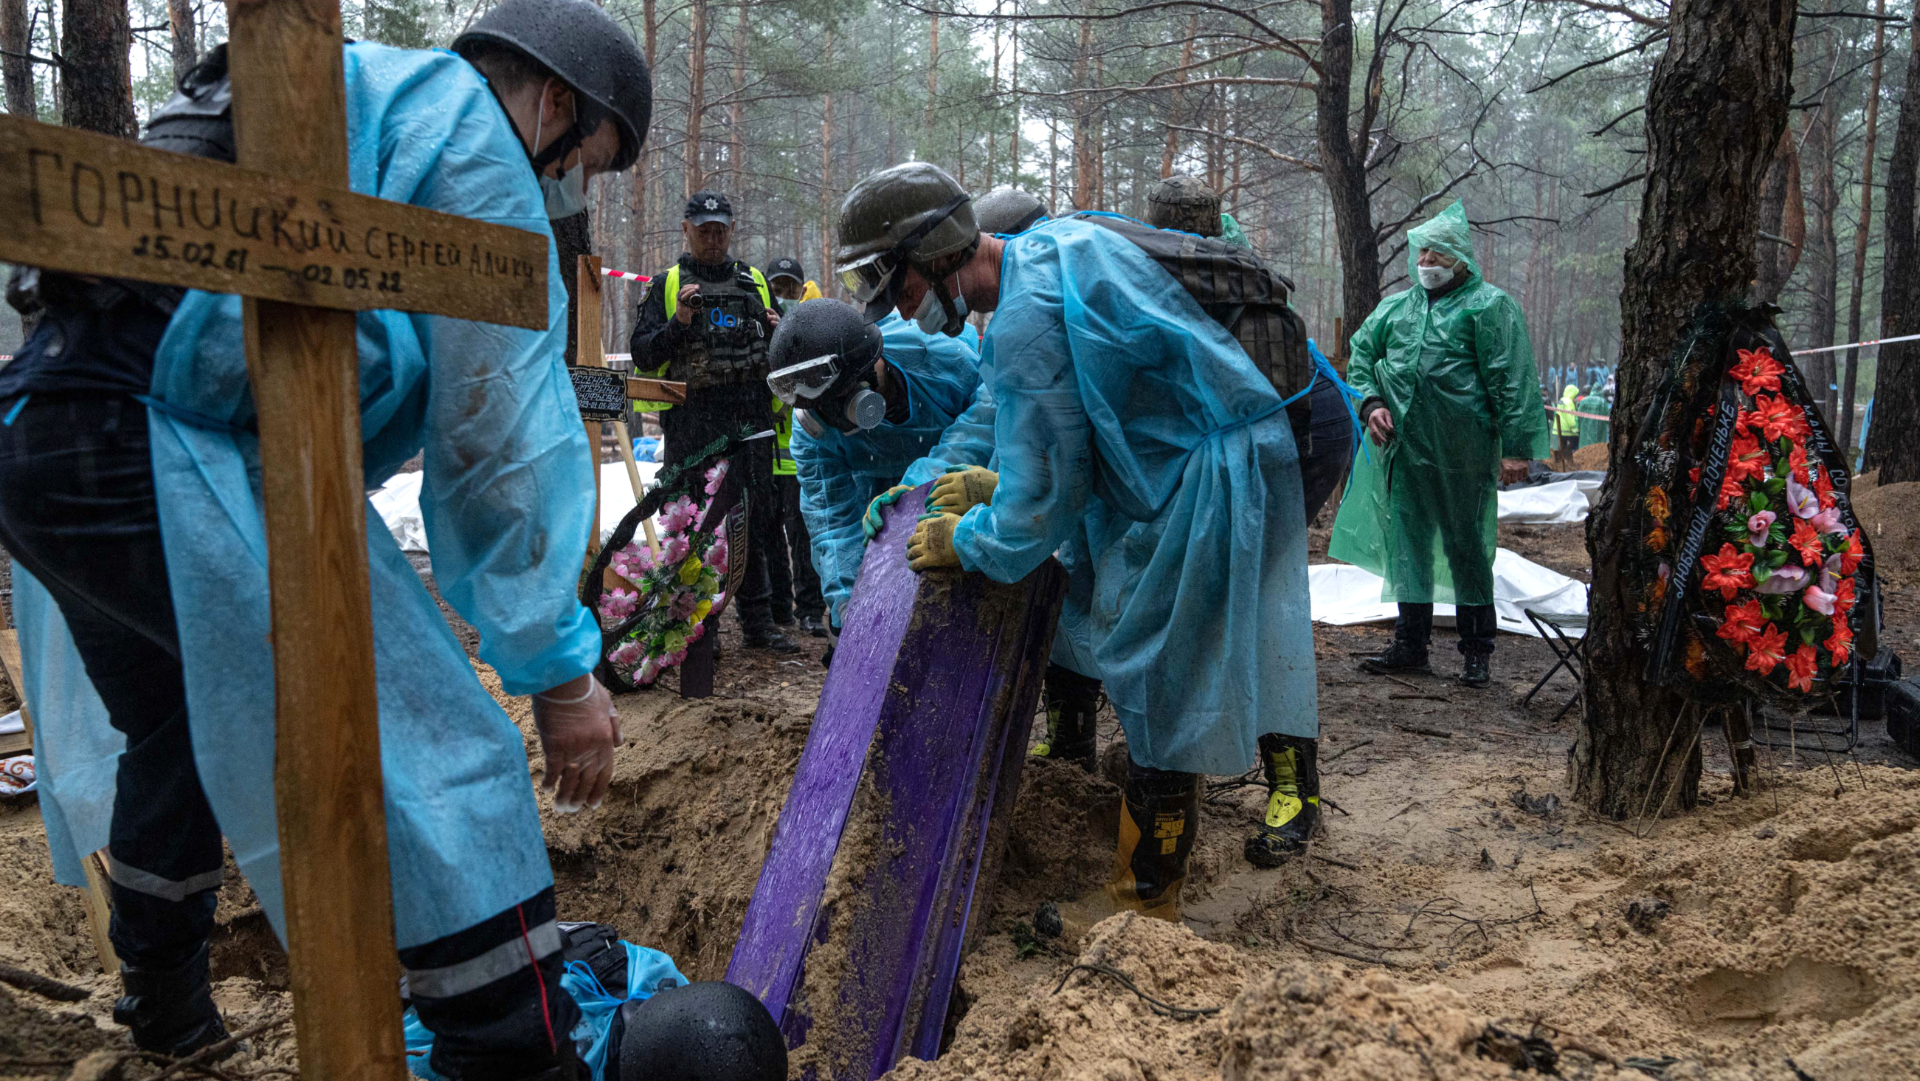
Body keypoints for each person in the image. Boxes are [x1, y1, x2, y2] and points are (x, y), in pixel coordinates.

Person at [0, 1, 668, 1076]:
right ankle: (511, 1043)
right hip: (154, 438)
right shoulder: (471, 139)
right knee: (433, 742)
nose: (568, 190)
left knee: (172, 725)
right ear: (554, 102)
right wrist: (556, 671)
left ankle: (167, 1007)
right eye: (584, 161)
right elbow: (497, 442)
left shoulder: (365, 94)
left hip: (43, 436)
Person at [833, 163, 1318, 931]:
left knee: (1164, 674)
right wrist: (990, 482)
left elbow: (1045, 504)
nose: (901, 308)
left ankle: (1144, 902)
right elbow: (1086, 421)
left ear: (933, 253)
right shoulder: (1048, 252)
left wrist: (970, 537)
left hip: (1208, 470)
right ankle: (1147, 882)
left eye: (900, 286)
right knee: (1156, 657)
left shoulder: (1025, 313)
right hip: (1196, 457)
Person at [1146, 173, 1358, 867]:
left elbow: (1275, 416)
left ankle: (1296, 788)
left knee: (1266, 608)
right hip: (1231, 451)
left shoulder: (1245, 290)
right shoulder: (1152, 276)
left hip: (1297, 440)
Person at [1329, 200, 1549, 690]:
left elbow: (1511, 379)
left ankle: (1476, 652)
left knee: (1467, 544)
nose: (1426, 260)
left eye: (1437, 252)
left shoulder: (1490, 306)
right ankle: (1411, 645)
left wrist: (1515, 447)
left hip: (1464, 453)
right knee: (1408, 545)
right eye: (1421, 251)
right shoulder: (1396, 308)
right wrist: (1370, 404)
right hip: (1405, 451)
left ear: (1460, 257)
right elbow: (1362, 357)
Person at [628, 193, 797, 653]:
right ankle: (702, 628)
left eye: (720, 228)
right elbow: (643, 353)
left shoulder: (755, 281)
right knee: (695, 527)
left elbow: (780, 352)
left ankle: (758, 623)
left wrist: (776, 329)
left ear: (732, 227)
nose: (713, 236)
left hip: (751, 420)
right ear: (686, 230)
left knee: (757, 524)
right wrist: (680, 321)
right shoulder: (666, 285)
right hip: (692, 425)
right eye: (704, 228)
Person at [765, 298, 982, 635]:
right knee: (876, 565)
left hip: (955, 476)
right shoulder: (812, 429)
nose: (825, 416)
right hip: (869, 482)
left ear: (866, 375)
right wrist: (847, 602)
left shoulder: (943, 358)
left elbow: (981, 431)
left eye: (831, 403)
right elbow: (830, 517)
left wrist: (920, 489)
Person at [762, 257, 828, 637]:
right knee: (770, 534)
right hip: (770, 455)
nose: (784, 295)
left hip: (805, 454)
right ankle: (778, 608)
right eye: (778, 287)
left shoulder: (817, 325)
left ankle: (809, 608)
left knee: (806, 536)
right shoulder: (763, 323)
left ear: (802, 288)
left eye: (790, 287)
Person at [1552, 383, 1581, 468]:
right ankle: (1567, 458)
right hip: (1568, 430)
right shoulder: (1569, 403)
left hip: (1560, 428)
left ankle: (1560, 462)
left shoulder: (1562, 400)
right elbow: (1570, 417)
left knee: (1562, 444)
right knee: (1574, 442)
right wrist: (1574, 429)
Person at [1576, 382, 1611, 449]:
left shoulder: (1583, 401)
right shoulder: (1603, 402)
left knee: (1584, 452)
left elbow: (1577, 416)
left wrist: (1577, 427)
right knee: (1597, 452)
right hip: (1599, 433)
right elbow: (1608, 418)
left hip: (1584, 432)